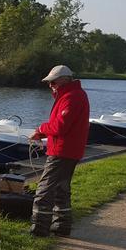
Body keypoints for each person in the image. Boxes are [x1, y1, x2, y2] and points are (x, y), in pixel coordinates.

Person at [28, 65, 90, 237]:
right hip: (68, 150)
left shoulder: (72, 97)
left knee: (44, 190)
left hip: (62, 151)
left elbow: (60, 127)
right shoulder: (70, 95)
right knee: (61, 189)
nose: (51, 85)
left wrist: (41, 127)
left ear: (65, 80)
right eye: (49, 82)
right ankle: (61, 226)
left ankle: (39, 229)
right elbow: (59, 125)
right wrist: (41, 133)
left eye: (53, 82)